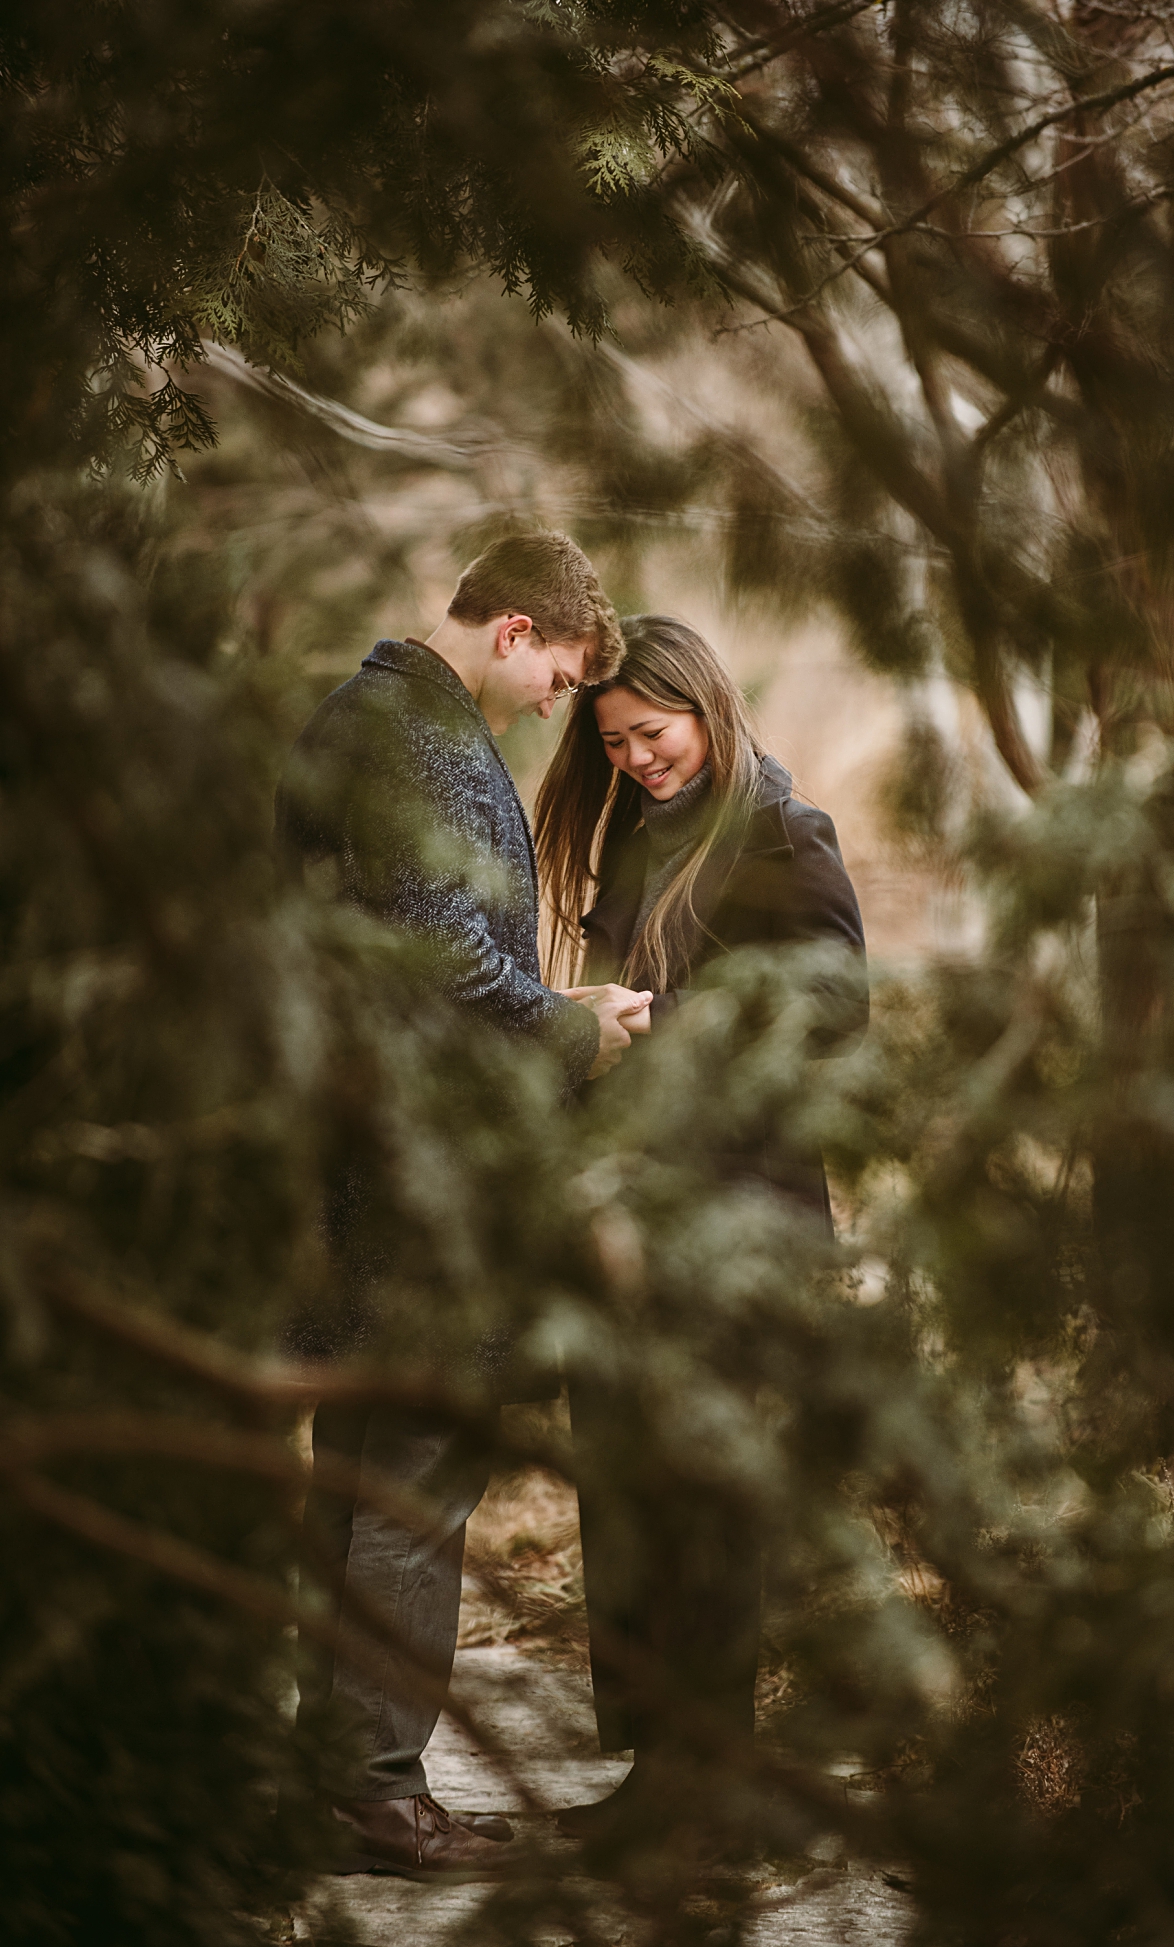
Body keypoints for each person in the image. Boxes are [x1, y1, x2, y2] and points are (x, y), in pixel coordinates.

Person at [275, 532, 652, 1878]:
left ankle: (338, 1774)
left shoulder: (392, 720)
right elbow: (436, 954)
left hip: (378, 1177)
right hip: (415, 1193)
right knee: (413, 1483)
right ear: (511, 632)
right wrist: (570, 1027)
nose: (564, 694)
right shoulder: (409, 733)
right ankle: (373, 1788)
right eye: (561, 663)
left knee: (367, 1475)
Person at [533, 614, 867, 1853]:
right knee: (626, 1499)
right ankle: (658, 1772)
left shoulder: (784, 834)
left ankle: (711, 1787)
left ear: (707, 709)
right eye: (613, 742)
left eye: (651, 733)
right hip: (629, 1215)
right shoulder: (636, 837)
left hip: (741, 1224)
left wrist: (662, 1026)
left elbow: (834, 1018)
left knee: (710, 1509)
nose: (634, 759)